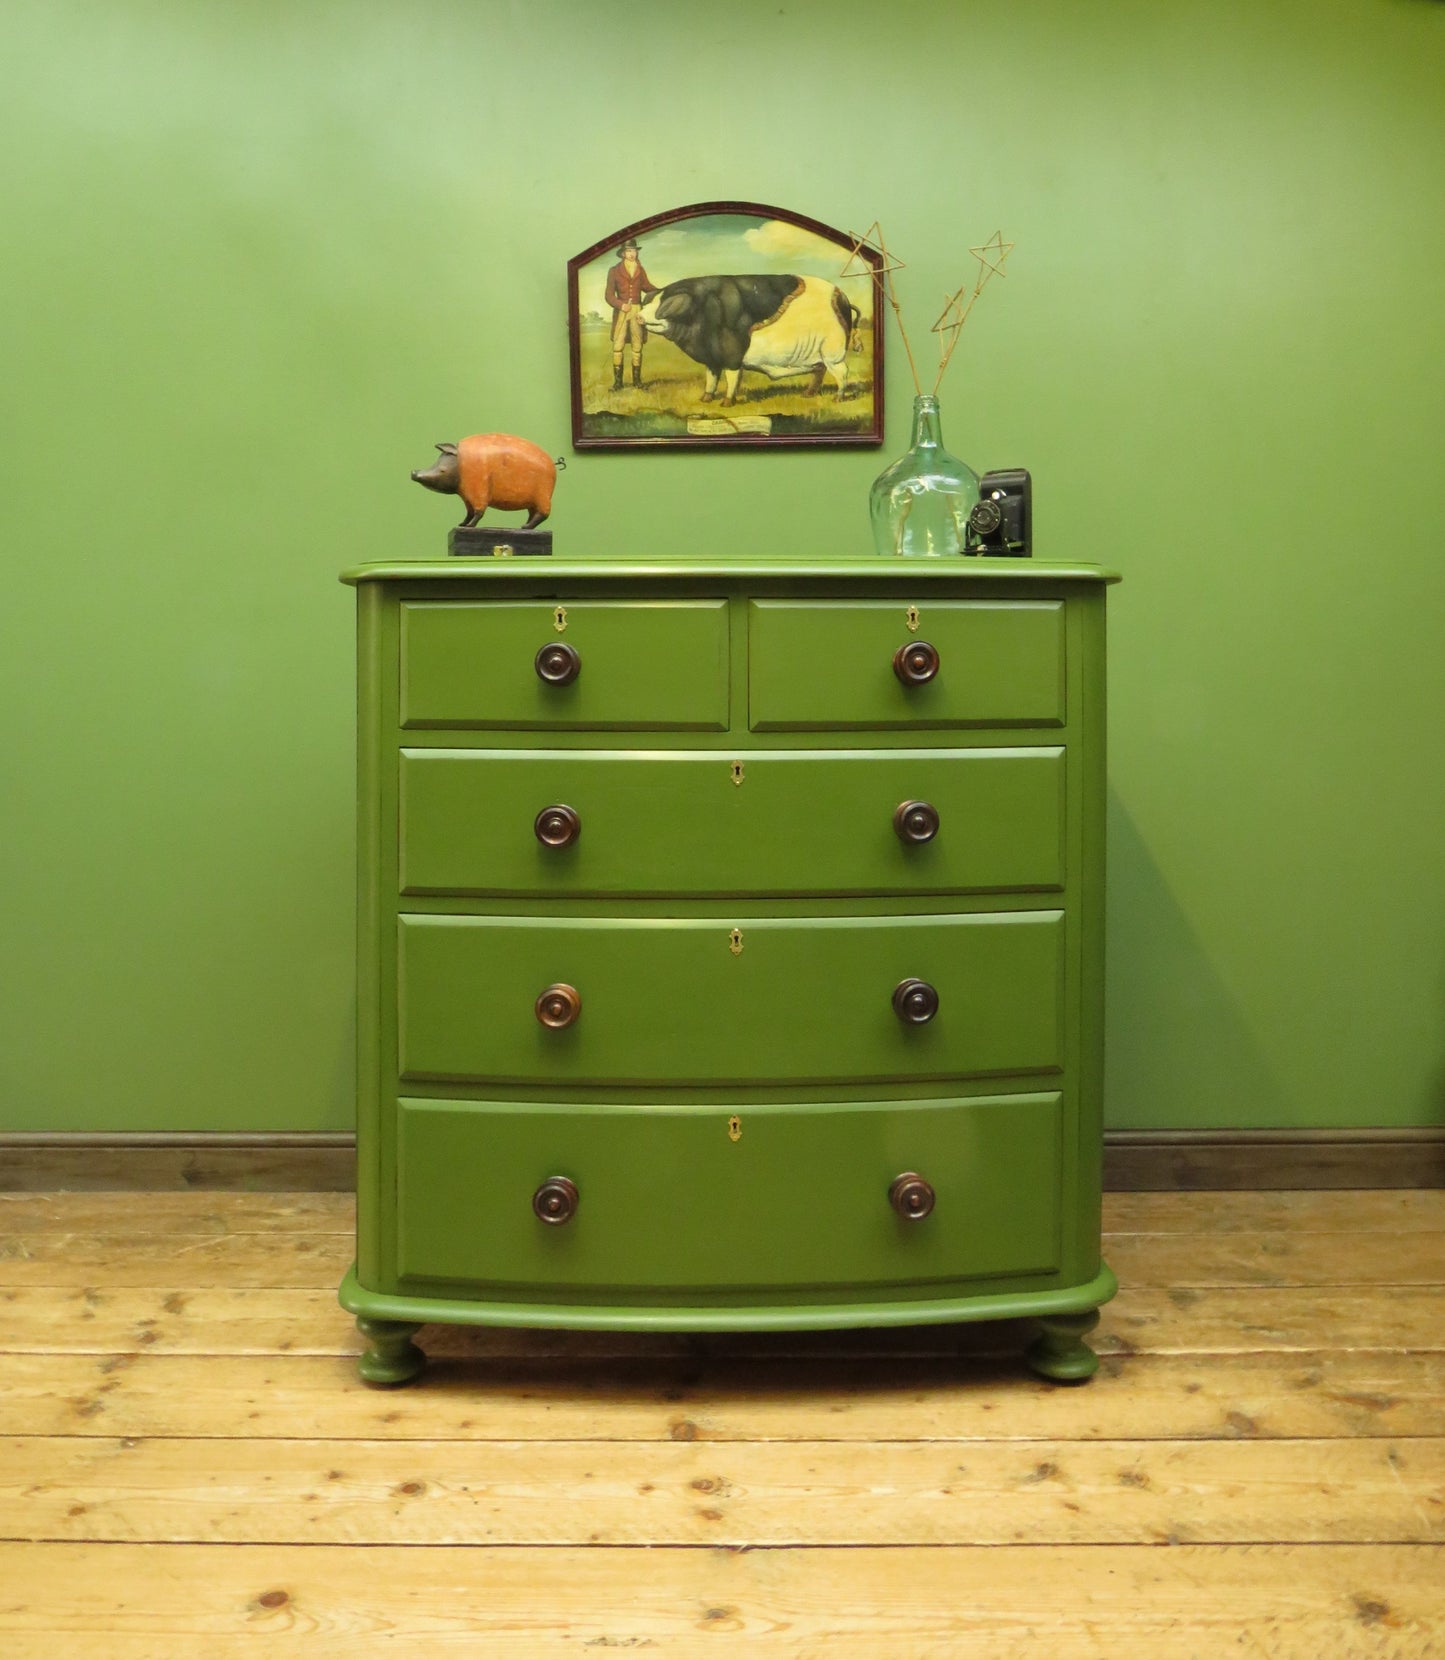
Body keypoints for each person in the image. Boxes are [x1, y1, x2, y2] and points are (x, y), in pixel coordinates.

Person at [604, 238, 660, 390]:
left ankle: (637, 381)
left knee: (637, 345)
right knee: (618, 346)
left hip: (637, 311)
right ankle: (618, 383)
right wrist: (621, 305)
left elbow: (647, 286)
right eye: (628, 251)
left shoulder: (640, 270)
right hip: (622, 311)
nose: (632, 254)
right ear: (622, 253)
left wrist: (661, 292)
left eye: (634, 251)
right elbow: (608, 295)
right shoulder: (614, 271)